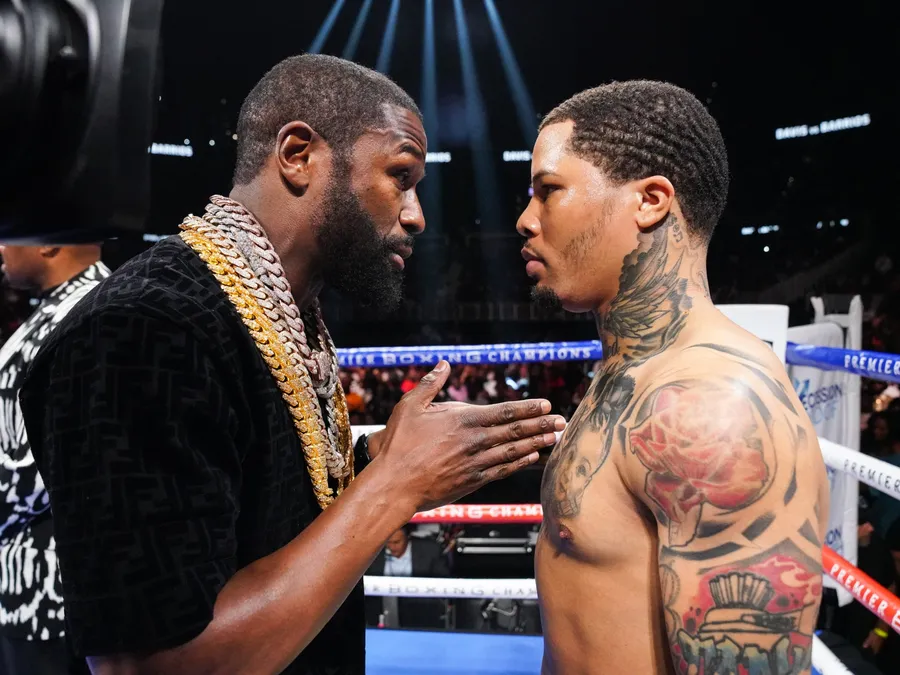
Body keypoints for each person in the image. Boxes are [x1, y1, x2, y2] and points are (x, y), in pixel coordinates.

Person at [18, 55, 564, 675]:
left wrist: (374, 464)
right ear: (298, 155)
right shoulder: (145, 326)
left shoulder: (287, 316)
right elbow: (154, 665)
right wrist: (393, 484)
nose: (416, 215)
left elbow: (258, 517)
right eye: (400, 176)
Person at [517, 81, 829, 674]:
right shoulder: (633, 371)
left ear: (651, 201)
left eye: (548, 191)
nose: (525, 220)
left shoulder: (712, 407)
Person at [0, 243, 108, 674]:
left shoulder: (83, 312)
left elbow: (47, 462)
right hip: (35, 584)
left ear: (48, 243)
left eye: (9, 233)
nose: (1, 246)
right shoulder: (67, 305)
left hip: (48, 597)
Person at [365, 526, 451, 629]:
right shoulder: (374, 552)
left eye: (396, 542)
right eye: (388, 543)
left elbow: (444, 583)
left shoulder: (431, 551)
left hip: (422, 611)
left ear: (408, 537)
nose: (391, 547)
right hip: (381, 611)